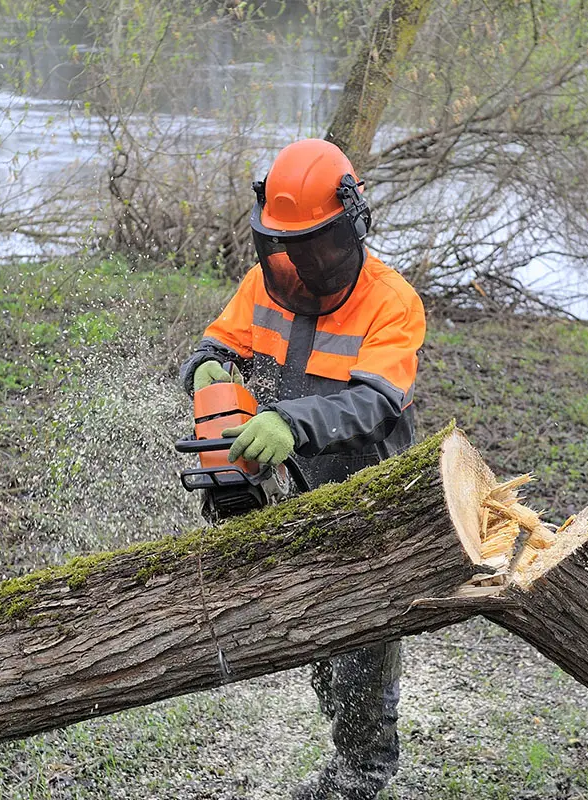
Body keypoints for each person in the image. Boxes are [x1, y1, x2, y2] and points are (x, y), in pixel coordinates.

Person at [179, 138, 426, 800]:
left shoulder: (390, 300)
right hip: (284, 484)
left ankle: (363, 772)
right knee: (312, 635)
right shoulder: (265, 282)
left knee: (361, 639)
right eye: (292, 247)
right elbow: (215, 346)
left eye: (318, 246)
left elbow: (376, 401)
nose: (304, 263)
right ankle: (344, 746)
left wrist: (292, 421)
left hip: (367, 497)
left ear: (349, 229)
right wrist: (205, 371)